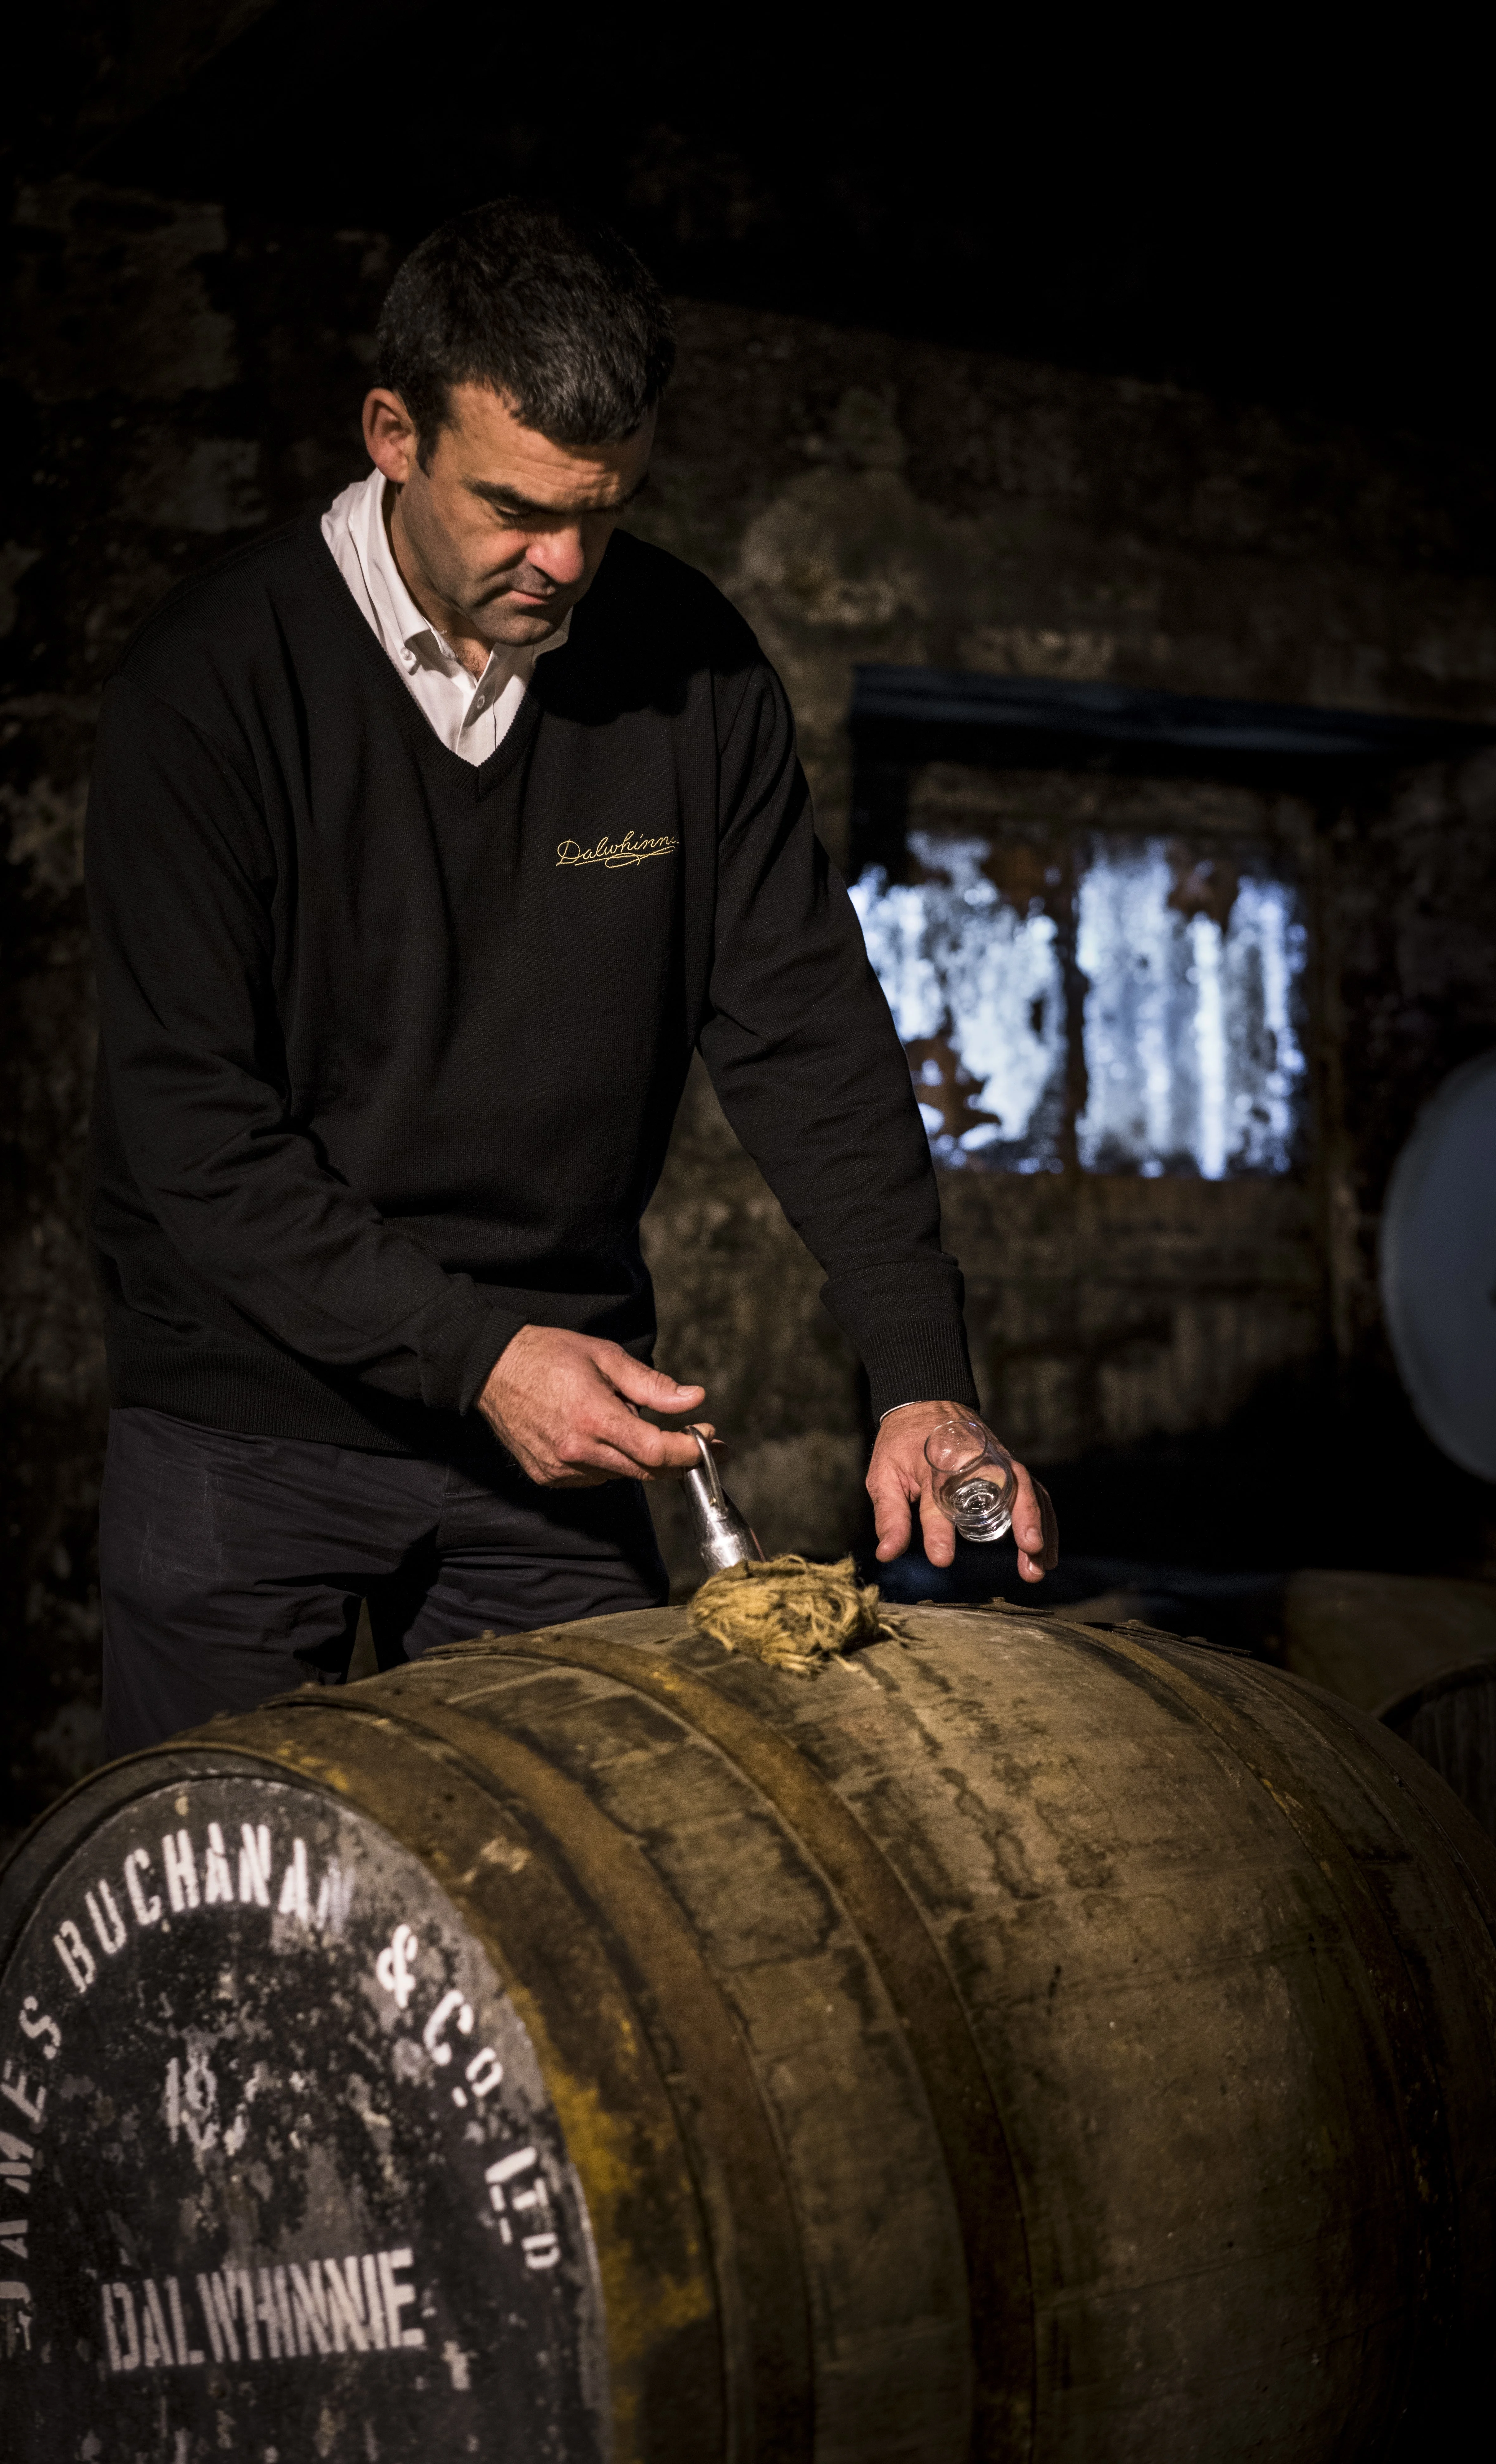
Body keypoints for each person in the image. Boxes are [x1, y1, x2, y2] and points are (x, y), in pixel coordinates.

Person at [85, 198, 1057, 1756]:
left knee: (570, 1915)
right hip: (249, 1422)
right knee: (224, 1927)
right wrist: (477, 1355)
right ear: (393, 431)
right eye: (519, 508)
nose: (565, 563)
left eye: (603, 512)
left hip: (559, 1440)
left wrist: (922, 1376)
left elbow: (808, 1035)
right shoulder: (214, 683)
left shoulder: (691, 668)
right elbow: (188, 1131)